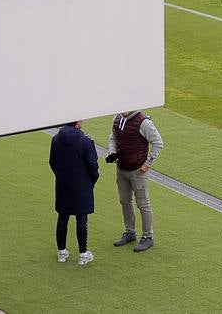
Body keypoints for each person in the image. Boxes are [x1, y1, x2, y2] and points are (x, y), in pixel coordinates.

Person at [106, 110, 164, 253]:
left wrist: (147, 164)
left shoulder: (144, 122)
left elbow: (158, 142)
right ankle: (130, 232)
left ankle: (148, 237)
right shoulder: (117, 118)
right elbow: (113, 138)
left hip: (138, 171)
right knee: (125, 201)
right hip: (122, 168)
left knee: (143, 204)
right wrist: (112, 152)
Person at [49, 120, 99, 266]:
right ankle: (83, 255)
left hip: (63, 183)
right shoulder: (85, 141)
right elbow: (92, 164)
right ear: (77, 122)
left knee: (62, 216)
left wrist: (60, 175)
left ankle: (61, 252)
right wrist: (92, 179)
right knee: (81, 217)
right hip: (81, 184)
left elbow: (52, 162)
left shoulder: (56, 139)